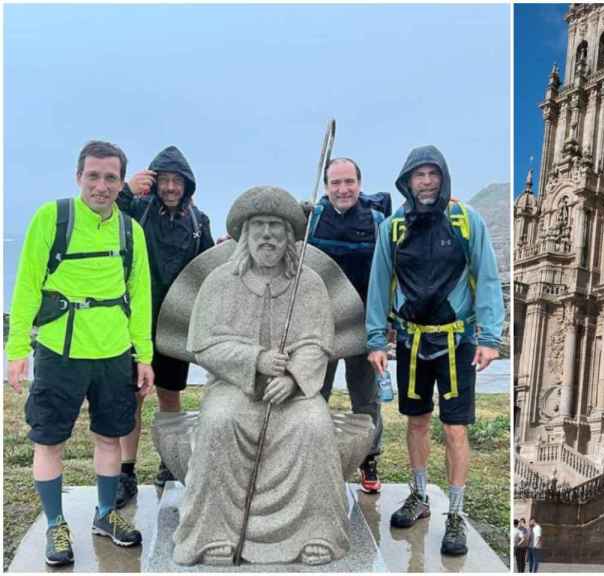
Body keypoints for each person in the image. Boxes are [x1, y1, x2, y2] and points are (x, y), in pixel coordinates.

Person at [172, 186, 352, 566]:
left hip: (293, 391)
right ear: (246, 235)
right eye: (260, 227)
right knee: (220, 422)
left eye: (276, 227)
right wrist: (254, 359)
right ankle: (213, 534)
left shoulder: (309, 283)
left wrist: (293, 378)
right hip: (234, 387)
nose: (268, 235)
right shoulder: (221, 283)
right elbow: (203, 343)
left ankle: (316, 532)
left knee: (314, 425)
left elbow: (318, 342)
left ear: (289, 237)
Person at [6, 141, 155, 566]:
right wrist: (17, 348)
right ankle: (54, 522)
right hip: (59, 350)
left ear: (122, 182)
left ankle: (106, 514)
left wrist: (143, 356)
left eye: (110, 177)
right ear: (78, 177)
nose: (101, 185)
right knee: (50, 439)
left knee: (110, 437)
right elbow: (27, 285)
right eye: (93, 175)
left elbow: (139, 296)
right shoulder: (51, 218)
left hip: (113, 353)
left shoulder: (131, 230)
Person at [365, 145, 504, 556]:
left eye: (433, 174)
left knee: (454, 428)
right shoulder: (393, 227)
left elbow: (487, 274)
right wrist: (377, 338)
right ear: (407, 181)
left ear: (443, 178)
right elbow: (379, 281)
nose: (426, 182)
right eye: (418, 175)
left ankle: (456, 512)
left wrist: (490, 337)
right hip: (410, 340)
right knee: (417, 422)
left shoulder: (466, 221)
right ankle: (420, 495)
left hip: (456, 341)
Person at [114, 145, 214, 507]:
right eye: (165, 180)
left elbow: (207, 269)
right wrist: (127, 188)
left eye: (178, 181)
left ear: (188, 185)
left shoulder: (198, 221)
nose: (171, 187)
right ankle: (126, 471)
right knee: (133, 398)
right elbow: (108, 211)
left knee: (169, 396)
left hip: (175, 323)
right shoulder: (137, 209)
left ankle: (170, 462)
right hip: (135, 321)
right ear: (155, 182)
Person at [307, 157, 387, 494]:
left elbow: (388, 270)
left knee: (365, 398)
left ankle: (369, 458)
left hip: (363, 326)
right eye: (336, 183)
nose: (343, 189)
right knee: (313, 395)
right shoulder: (313, 219)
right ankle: (313, 458)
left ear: (359, 184)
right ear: (326, 187)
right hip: (318, 326)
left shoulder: (376, 220)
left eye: (349, 182)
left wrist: (382, 329)